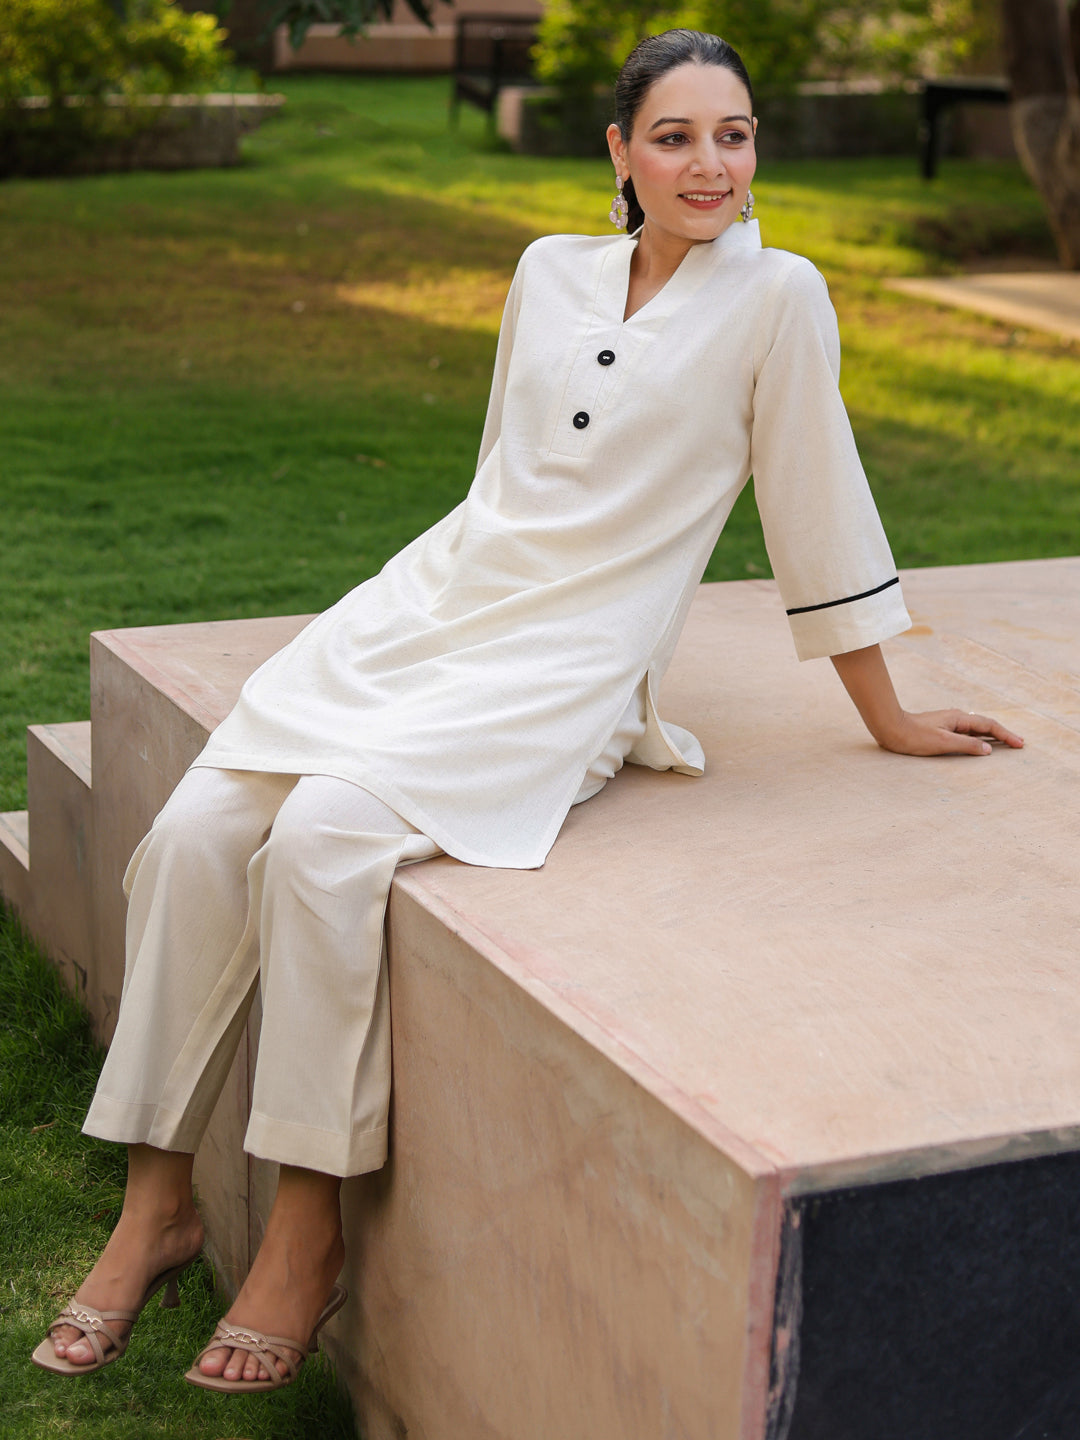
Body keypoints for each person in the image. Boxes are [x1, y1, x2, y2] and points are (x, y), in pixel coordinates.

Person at [31, 28, 1023, 1393]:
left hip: (568, 663)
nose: (710, 163)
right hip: (427, 608)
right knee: (202, 832)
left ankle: (307, 1231)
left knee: (323, 842)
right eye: (674, 136)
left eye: (733, 135)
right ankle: (157, 1207)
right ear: (620, 151)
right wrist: (427, 613)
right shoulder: (547, 270)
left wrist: (887, 710)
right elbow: (507, 473)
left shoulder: (780, 296)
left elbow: (818, 499)